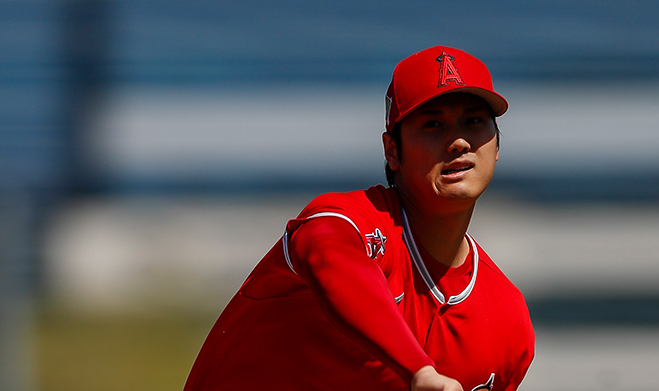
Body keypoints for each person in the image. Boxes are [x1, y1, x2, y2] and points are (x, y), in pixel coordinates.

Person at [183, 46, 534, 391]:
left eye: (474, 121)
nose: (458, 141)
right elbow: (329, 255)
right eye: (433, 124)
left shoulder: (506, 320)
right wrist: (419, 371)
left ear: (497, 146)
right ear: (392, 151)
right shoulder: (352, 222)